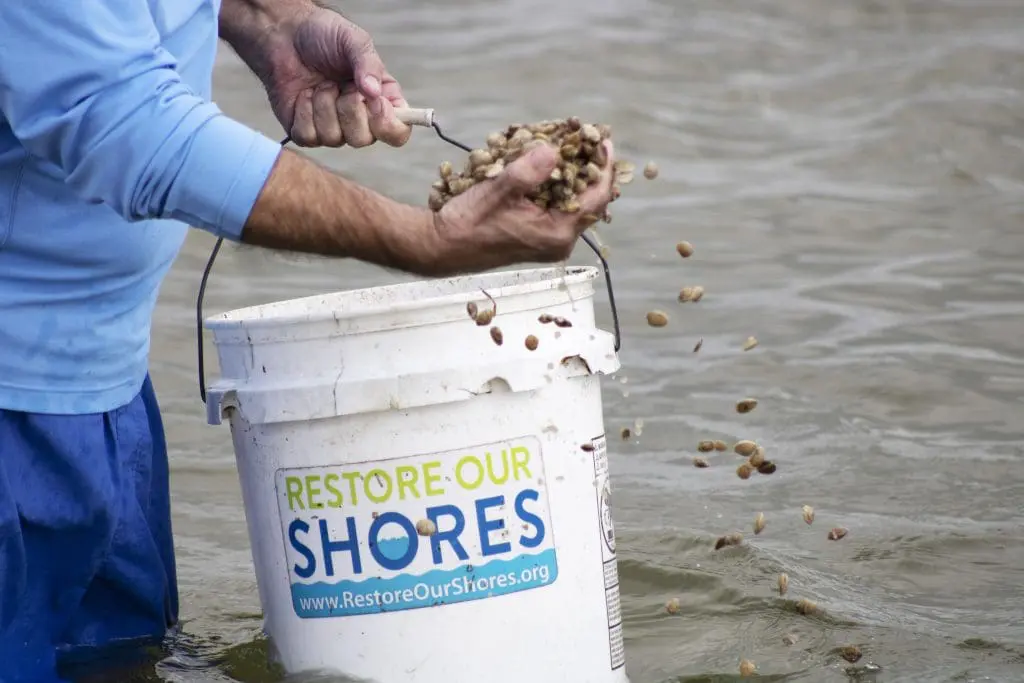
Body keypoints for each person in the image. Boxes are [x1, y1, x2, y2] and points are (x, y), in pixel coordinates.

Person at [0, 0, 616, 681]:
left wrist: (270, 22)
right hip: (13, 410)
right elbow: (122, 125)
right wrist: (423, 239)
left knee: (118, 663)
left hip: (106, 390)